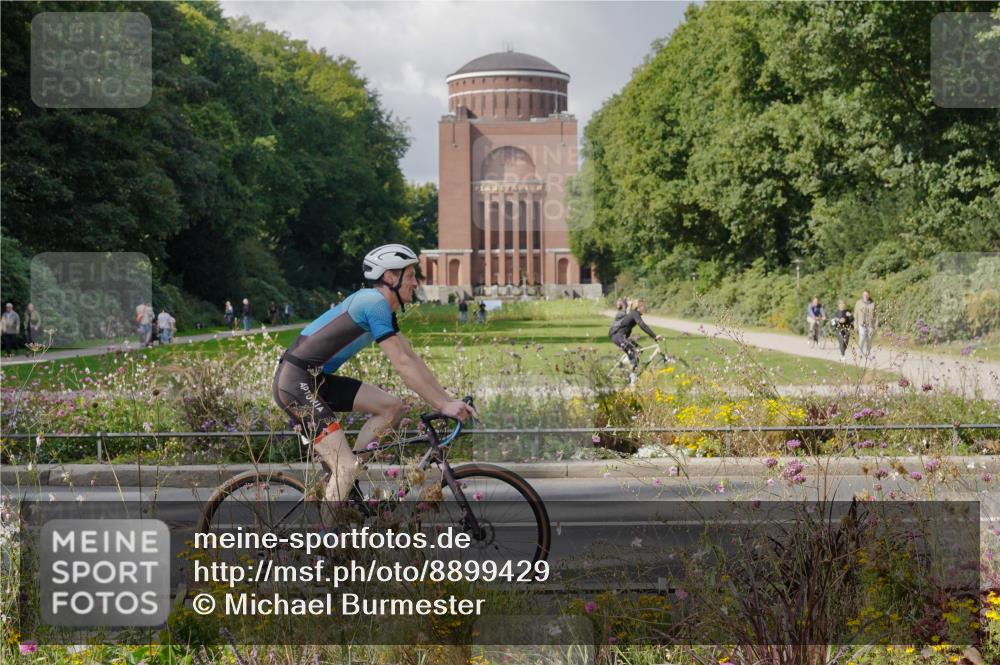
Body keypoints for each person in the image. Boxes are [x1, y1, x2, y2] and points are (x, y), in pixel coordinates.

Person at [272, 244, 477, 503]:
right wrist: (443, 405)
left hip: (315, 379)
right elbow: (401, 364)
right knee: (345, 468)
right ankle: (325, 539)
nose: (416, 282)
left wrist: (446, 400)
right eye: (411, 275)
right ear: (390, 277)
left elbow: (411, 357)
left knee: (392, 407)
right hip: (295, 382)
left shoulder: (383, 309)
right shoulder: (374, 303)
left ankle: (346, 480)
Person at [608, 299, 663, 374]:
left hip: (621, 337)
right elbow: (642, 325)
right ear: (638, 307)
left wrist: (653, 336)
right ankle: (632, 380)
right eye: (644, 306)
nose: (645, 308)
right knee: (634, 355)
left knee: (639, 350)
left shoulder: (634, 313)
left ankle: (624, 368)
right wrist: (654, 336)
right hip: (618, 336)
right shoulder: (635, 313)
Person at [854, 290, 877, 358]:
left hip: (870, 324)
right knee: (862, 337)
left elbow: (876, 315)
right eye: (864, 295)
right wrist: (855, 325)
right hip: (861, 324)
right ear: (862, 295)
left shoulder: (873, 303)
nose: (865, 296)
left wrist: (875, 325)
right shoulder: (858, 303)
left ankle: (867, 353)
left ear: (869, 295)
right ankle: (860, 353)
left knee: (869, 339)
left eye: (867, 295)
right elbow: (855, 314)